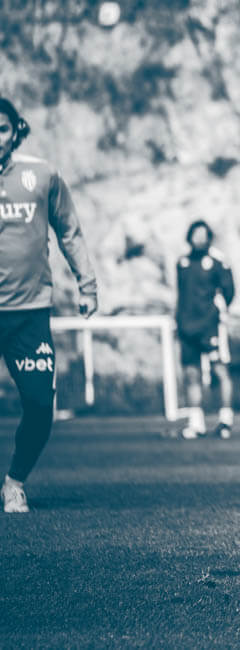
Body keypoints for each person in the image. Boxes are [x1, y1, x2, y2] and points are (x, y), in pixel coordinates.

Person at [0, 97, 99, 513]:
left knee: (41, 406)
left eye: (2, 129)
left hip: (29, 314)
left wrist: (87, 285)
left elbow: (69, 231)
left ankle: (14, 483)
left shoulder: (42, 175)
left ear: (15, 132)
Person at [176, 220, 235, 439]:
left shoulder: (218, 262)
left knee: (220, 370)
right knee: (191, 374)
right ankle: (196, 423)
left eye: (203, 235)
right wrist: (179, 320)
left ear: (209, 237)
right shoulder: (182, 263)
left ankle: (225, 420)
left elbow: (229, 292)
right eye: (195, 234)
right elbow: (182, 295)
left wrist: (217, 312)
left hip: (211, 326)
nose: (199, 239)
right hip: (187, 328)